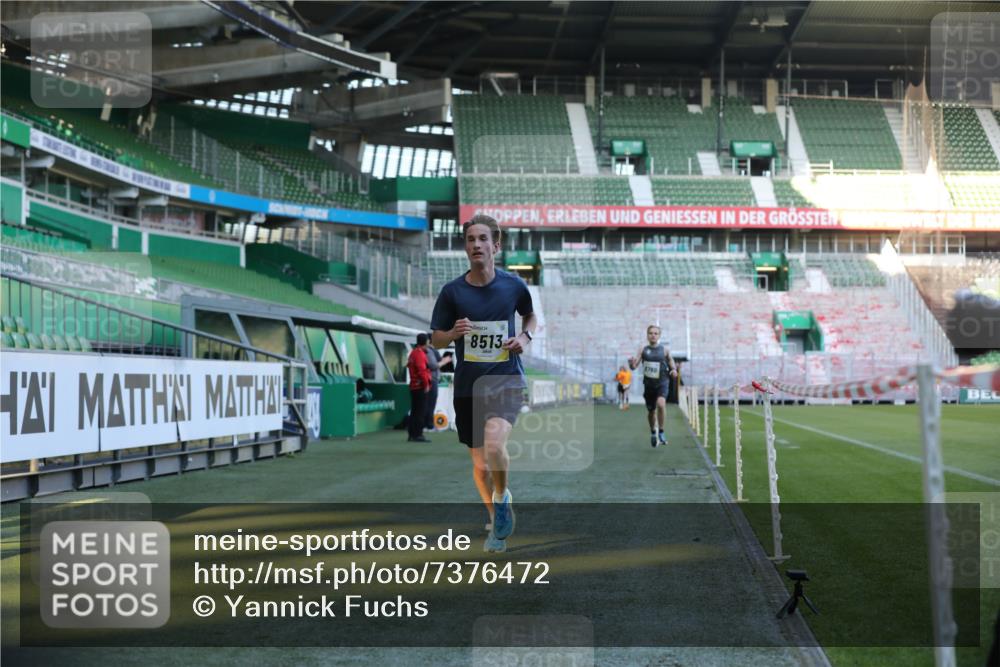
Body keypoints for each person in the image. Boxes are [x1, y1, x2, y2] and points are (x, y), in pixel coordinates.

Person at [431, 214, 536, 554]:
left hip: (506, 379)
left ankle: (502, 497)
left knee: (494, 445)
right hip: (467, 388)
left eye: (482, 239)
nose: (476, 245)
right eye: (470, 239)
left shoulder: (513, 286)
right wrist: (452, 333)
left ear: (496, 245)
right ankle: (496, 520)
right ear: (465, 247)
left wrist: (525, 335)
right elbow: (436, 341)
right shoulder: (452, 292)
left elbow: (529, 315)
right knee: (479, 466)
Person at [628, 325, 678, 448]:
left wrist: (673, 370)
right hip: (649, 385)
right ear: (647, 335)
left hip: (662, 382)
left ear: (659, 336)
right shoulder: (643, 350)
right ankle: (652, 431)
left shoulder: (664, 350)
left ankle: (661, 431)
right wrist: (631, 364)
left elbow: (670, 360)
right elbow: (634, 367)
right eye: (651, 333)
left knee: (661, 404)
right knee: (651, 411)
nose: (653, 335)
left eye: (656, 333)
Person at [406, 333, 432, 443]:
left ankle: (412, 434)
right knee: (420, 411)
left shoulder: (413, 353)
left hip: (415, 386)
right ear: (425, 342)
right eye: (428, 341)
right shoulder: (420, 354)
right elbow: (422, 371)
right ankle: (418, 434)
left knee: (415, 411)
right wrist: (426, 385)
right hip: (420, 387)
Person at [423, 341, 443, 431]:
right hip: (431, 380)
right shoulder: (429, 351)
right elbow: (434, 365)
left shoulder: (431, 351)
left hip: (431, 379)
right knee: (430, 403)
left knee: (429, 403)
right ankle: (428, 425)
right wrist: (444, 362)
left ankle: (427, 424)